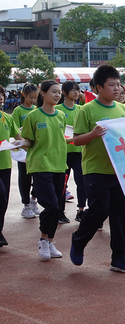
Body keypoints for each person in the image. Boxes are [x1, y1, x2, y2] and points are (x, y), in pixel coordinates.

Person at [70, 65, 125, 273]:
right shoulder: (87, 110)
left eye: (119, 85)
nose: (117, 89)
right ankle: (79, 240)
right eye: (112, 85)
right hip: (95, 170)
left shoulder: (122, 109)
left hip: (120, 170)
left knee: (121, 215)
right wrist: (92, 134)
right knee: (99, 210)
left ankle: (119, 258)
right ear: (99, 87)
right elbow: (76, 140)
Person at [21, 80, 68, 260]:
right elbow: (29, 141)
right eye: (53, 92)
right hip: (40, 165)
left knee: (58, 207)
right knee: (51, 204)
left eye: (59, 92)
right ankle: (42, 239)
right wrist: (17, 143)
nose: (57, 95)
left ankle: (50, 241)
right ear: (43, 94)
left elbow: (60, 138)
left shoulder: (61, 116)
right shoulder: (33, 116)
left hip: (59, 165)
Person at [55, 81, 86, 224]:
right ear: (64, 92)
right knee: (62, 183)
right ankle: (59, 212)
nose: (76, 92)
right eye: (72, 90)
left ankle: (81, 210)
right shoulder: (57, 110)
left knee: (82, 182)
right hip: (63, 152)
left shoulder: (81, 109)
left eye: (77, 90)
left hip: (80, 152)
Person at [12, 83, 41, 219]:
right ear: (24, 95)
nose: (33, 100)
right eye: (30, 97)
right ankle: (26, 205)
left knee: (39, 176)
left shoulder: (37, 110)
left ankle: (34, 199)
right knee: (24, 177)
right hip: (24, 150)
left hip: (36, 148)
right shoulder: (18, 111)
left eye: (35, 97)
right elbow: (15, 130)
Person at [0, 85, 22, 247]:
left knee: (4, 198)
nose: (0, 100)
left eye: (1, 97)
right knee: (1, 195)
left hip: (5, 164)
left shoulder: (6, 118)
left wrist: (21, 143)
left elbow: (18, 137)